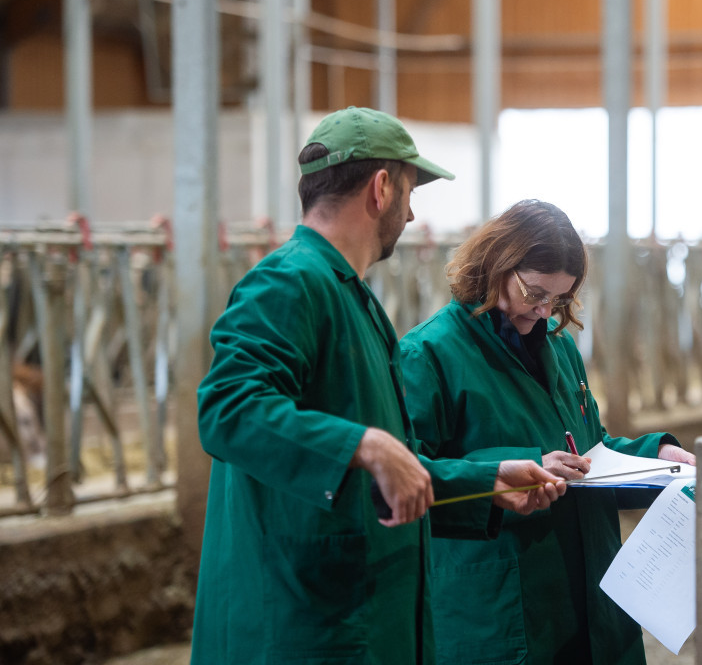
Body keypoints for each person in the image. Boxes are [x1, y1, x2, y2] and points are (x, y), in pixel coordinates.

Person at [190, 108, 565, 665]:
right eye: (411, 193)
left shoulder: (352, 298)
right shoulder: (288, 281)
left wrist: (486, 482)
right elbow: (227, 409)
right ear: (381, 187)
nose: (412, 214)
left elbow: (391, 473)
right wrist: (364, 445)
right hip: (302, 626)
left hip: (358, 619)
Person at [399, 199, 697, 665]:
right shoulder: (429, 354)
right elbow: (404, 474)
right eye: (534, 292)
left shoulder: (559, 349)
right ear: (496, 262)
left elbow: (588, 450)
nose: (543, 311)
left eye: (558, 299)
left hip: (590, 597)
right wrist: (515, 464)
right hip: (505, 604)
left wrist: (654, 453)